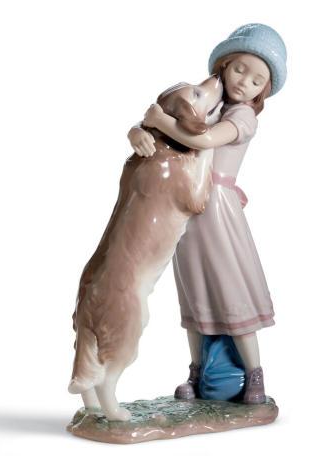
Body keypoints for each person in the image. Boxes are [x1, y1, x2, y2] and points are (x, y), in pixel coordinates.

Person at [127, 23, 287, 404]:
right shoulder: (207, 102)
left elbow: (202, 139)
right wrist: (139, 130)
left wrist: (160, 122)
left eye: (257, 80)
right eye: (240, 70)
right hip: (184, 210)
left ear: (263, 91)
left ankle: (255, 375)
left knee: (231, 290)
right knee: (193, 291)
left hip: (217, 209)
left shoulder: (243, 117)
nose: (244, 82)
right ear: (224, 65)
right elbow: (157, 119)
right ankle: (197, 372)